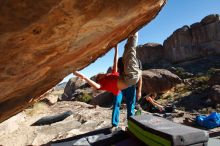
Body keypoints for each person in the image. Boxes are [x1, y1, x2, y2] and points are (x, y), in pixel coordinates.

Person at [74, 32, 142, 96]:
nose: (101, 73)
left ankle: (132, 35)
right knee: (130, 53)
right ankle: (135, 33)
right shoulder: (102, 85)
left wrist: (116, 48)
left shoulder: (111, 75)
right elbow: (95, 85)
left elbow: (115, 62)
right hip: (131, 78)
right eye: (99, 75)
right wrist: (82, 76)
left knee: (126, 50)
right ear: (99, 79)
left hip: (129, 76)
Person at [111, 57, 142, 127]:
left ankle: (131, 125)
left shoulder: (138, 61)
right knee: (116, 102)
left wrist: (139, 91)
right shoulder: (121, 59)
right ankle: (114, 125)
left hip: (131, 86)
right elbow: (117, 72)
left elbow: (140, 77)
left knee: (131, 105)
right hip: (120, 84)